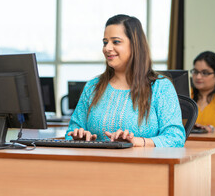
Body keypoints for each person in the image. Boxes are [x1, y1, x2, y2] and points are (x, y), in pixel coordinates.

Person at [65, 14, 186, 147]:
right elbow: (71, 132)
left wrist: (137, 142)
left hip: (143, 166)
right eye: (105, 42)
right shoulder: (93, 86)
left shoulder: (160, 87)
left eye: (116, 42)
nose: (107, 48)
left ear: (135, 45)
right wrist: (78, 137)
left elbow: (175, 137)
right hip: (95, 165)